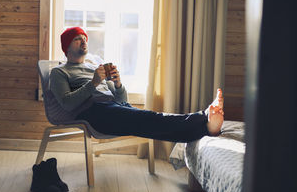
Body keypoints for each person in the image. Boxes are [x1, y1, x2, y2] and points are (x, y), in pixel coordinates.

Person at [50, 27, 224, 142]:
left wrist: (118, 84)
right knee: (151, 119)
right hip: (94, 113)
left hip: (113, 107)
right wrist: (93, 83)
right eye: (77, 39)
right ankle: (203, 116)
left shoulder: (93, 67)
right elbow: (67, 103)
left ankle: (207, 129)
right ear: (67, 48)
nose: (83, 41)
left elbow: (121, 99)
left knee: (151, 126)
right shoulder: (59, 72)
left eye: (84, 38)